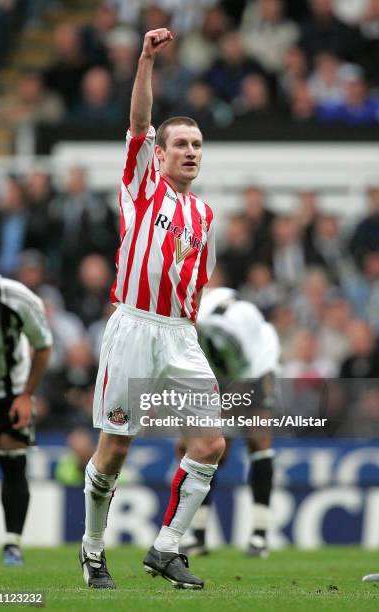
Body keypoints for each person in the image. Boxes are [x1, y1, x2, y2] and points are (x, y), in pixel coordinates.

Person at [79, 28, 224, 591]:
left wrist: (188, 328)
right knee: (114, 450)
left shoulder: (204, 215)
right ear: (158, 155)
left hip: (180, 334)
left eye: (197, 146)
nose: (190, 153)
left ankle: (166, 547)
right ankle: (93, 552)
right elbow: (140, 120)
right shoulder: (142, 187)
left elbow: (197, 280)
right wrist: (144, 58)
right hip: (134, 329)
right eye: (181, 145)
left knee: (211, 440)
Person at [179, 287, 280, 557]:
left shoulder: (231, 333)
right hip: (217, 367)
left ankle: (259, 535)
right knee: (198, 446)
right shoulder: (179, 331)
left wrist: (221, 420)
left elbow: (243, 380)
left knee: (257, 438)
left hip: (256, 361)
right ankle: (198, 535)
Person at [0, 272, 52, 565]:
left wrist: (26, 395)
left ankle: (12, 544)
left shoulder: (21, 301)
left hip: (12, 388)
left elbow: (43, 345)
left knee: (13, 458)